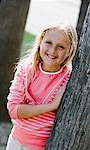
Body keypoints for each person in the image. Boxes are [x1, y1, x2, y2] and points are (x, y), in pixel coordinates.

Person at [6, 22, 78, 150]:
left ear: (70, 50)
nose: (52, 50)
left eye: (60, 47)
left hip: (42, 146)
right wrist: (51, 106)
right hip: (15, 141)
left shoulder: (70, 78)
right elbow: (13, 110)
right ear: (40, 42)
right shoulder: (27, 69)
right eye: (48, 43)